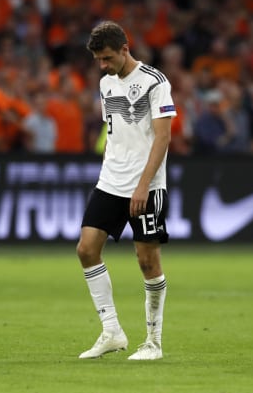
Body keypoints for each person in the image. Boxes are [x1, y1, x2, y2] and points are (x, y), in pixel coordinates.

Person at [76, 20, 176, 361]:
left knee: (147, 261)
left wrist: (143, 185)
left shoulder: (155, 82)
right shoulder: (106, 84)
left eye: (107, 58)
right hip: (110, 181)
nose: (103, 66)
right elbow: (117, 133)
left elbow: (163, 137)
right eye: (98, 60)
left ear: (124, 48)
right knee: (87, 249)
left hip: (145, 184)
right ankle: (112, 331)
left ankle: (153, 341)